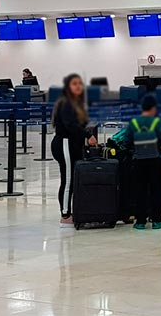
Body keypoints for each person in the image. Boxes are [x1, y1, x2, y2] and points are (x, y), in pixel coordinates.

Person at [50, 73, 97, 227]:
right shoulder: (66, 103)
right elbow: (70, 126)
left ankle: (72, 210)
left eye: (80, 83)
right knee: (68, 179)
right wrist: (87, 135)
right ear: (68, 87)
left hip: (73, 145)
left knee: (72, 178)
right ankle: (65, 214)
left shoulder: (77, 103)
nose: (78, 86)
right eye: (74, 84)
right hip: (64, 144)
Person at [128, 94, 161, 230]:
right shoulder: (157, 122)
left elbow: (127, 140)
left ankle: (140, 221)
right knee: (156, 189)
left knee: (140, 190)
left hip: (139, 160)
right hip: (155, 160)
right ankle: (156, 220)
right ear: (153, 108)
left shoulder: (134, 122)